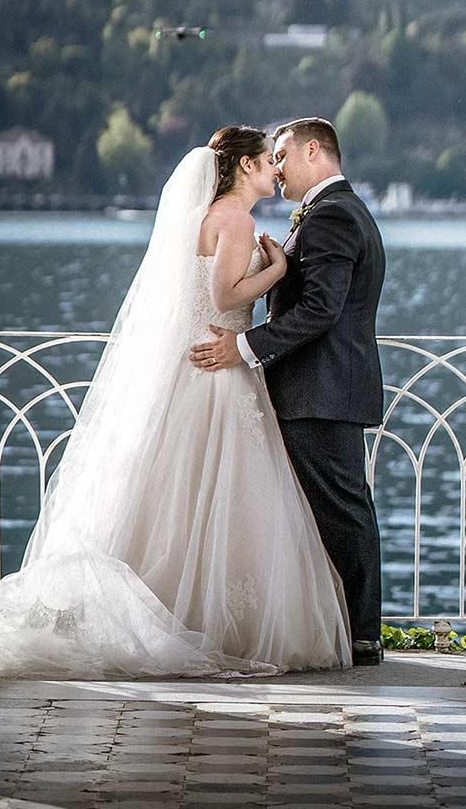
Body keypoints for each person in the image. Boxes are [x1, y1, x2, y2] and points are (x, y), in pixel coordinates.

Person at [0, 126, 350, 678]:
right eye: (267, 160)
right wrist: (276, 270)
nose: (276, 168)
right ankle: (215, 621)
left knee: (177, 492)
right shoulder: (237, 220)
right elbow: (225, 297)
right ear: (245, 167)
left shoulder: (209, 217)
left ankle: (173, 609)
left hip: (202, 362)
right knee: (221, 492)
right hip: (221, 367)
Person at [189, 116, 387, 666]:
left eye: (282, 155)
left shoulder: (332, 217)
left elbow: (321, 310)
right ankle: (348, 627)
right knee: (333, 510)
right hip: (320, 387)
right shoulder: (333, 212)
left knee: (341, 512)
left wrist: (246, 346)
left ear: (313, 151)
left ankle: (360, 634)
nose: (275, 168)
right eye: (270, 158)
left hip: (321, 389)